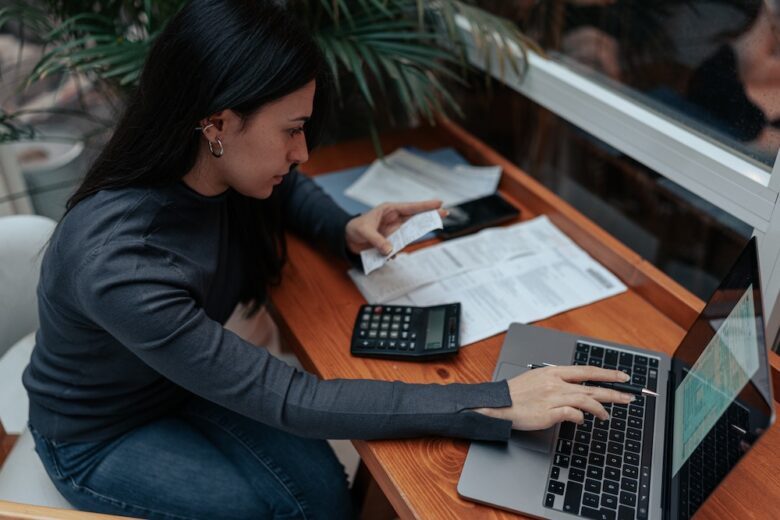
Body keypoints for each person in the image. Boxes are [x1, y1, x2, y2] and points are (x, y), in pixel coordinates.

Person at [22, 1, 635, 518]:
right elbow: (289, 397)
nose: (304, 151)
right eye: (291, 130)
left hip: (174, 381)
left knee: (321, 486)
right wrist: (498, 399)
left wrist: (344, 228)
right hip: (98, 436)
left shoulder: (211, 169)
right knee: (302, 505)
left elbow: (286, 186)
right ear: (217, 123)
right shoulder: (121, 260)